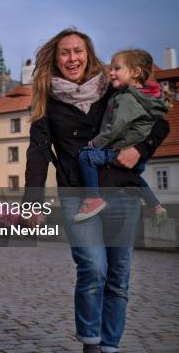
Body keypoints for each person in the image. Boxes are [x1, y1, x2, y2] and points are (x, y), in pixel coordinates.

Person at [24, 28, 169, 353]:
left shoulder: (112, 89)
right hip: (78, 195)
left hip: (123, 191)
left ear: (88, 54)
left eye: (78, 51)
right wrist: (32, 202)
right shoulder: (48, 99)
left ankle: (110, 347)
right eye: (65, 52)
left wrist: (141, 150)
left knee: (118, 277)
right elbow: (38, 152)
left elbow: (160, 122)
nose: (72, 58)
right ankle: (91, 344)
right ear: (56, 58)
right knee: (92, 267)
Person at [76, 49, 169, 222]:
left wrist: (95, 143)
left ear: (135, 72)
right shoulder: (145, 97)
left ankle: (92, 198)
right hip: (133, 153)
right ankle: (156, 206)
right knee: (134, 177)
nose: (111, 72)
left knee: (86, 156)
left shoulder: (126, 98)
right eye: (110, 68)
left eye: (117, 68)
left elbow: (116, 126)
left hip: (121, 149)